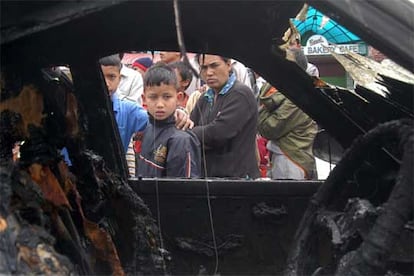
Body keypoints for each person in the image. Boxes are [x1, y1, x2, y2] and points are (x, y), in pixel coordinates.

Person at [99, 55, 193, 177]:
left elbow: (156, 119)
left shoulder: (128, 110)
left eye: (111, 77)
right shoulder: (73, 103)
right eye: (100, 76)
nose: (106, 83)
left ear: (120, 79)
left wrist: (178, 112)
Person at [190, 54, 260, 179]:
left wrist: (193, 132)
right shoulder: (204, 98)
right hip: (210, 178)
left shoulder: (240, 94)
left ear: (228, 65)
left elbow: (217, 133)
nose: (209, 72)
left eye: (214, 66)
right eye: (204, 68)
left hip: (238, 180)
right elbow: (192, 127)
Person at [257, 48, 318, 180]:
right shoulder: (285, 93)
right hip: (283, 155)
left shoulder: (300, 96)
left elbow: (269, 129)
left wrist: (262, 111)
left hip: (291, 159)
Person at [136, 63, 201, 177]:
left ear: (179, 98)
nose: (160, 104)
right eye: (153, 97)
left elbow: (183, 189)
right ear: (144, 99)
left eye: (167, 97)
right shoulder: (149, 128)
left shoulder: (181, 140)